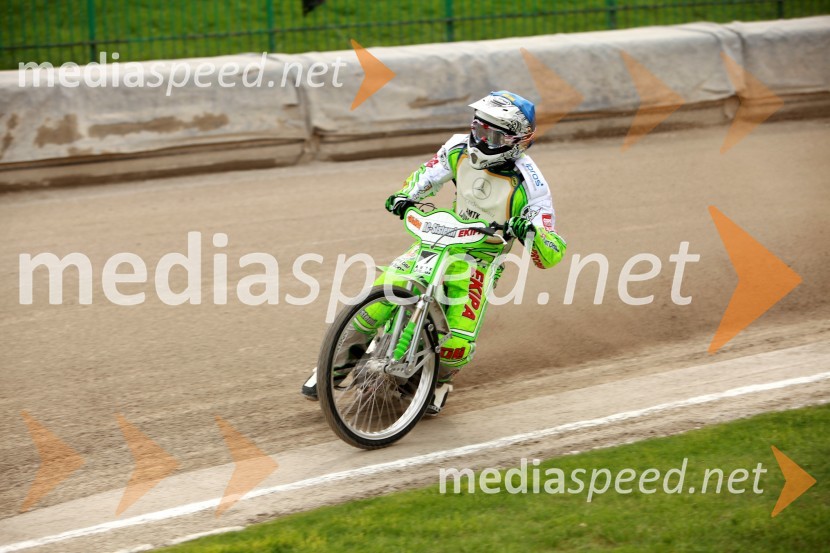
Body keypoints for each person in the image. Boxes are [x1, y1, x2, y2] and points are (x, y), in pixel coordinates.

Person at [302, 90, 567, 414]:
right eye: (479, 129)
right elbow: (425, 177)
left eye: (493, 135)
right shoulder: (457, 147)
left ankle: (436, 380)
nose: (481, 140)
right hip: (438, 239)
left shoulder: (531, 184)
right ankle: (335, 365)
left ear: (517, 140)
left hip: (481, 260)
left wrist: (532, 233)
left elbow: (551, 252)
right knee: (377, 300)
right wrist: (403, 196)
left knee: (458, 344)